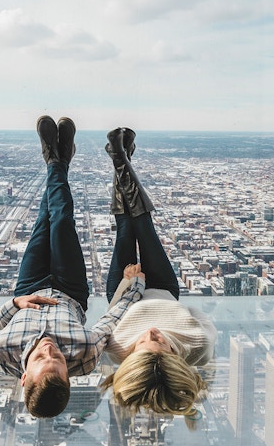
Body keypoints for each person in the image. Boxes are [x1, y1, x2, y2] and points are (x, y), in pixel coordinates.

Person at [0, 116, 145, 419]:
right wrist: (136, 287)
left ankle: (59, 160)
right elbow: (111, 319)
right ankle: (55, 160)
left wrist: (15, 304)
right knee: (62, 220)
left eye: (43, 356)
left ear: (24, 376)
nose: (51, 349)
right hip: (70, 288)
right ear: (70, 375)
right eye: (60, 360)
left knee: (44, 219)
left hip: (29, 286)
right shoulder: (86, 354)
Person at [101, 127, 217, 417]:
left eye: (142, 342)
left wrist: (129, 284)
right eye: (162, 343)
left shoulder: (116, 350)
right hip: (164, 288)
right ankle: (119, 157)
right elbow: (194, 312)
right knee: (144, 226)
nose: (152, 332)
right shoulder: (198, 345)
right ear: (176, 360)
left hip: (125, 285)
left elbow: (113, 312)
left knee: (125, 228)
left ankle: (122, 157)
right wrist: (168, 308)